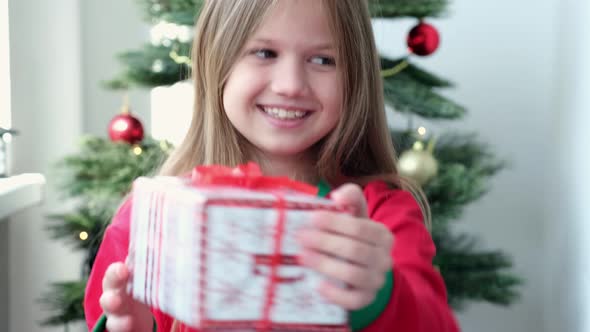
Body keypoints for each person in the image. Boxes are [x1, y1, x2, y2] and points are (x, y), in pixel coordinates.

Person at [84, 0, 460, 331]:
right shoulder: (149, 220)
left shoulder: (380, 216)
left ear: (355, 78)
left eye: (322, 60)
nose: (291, 85)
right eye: (264, 53)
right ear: (219, 63)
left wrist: (379, 300)